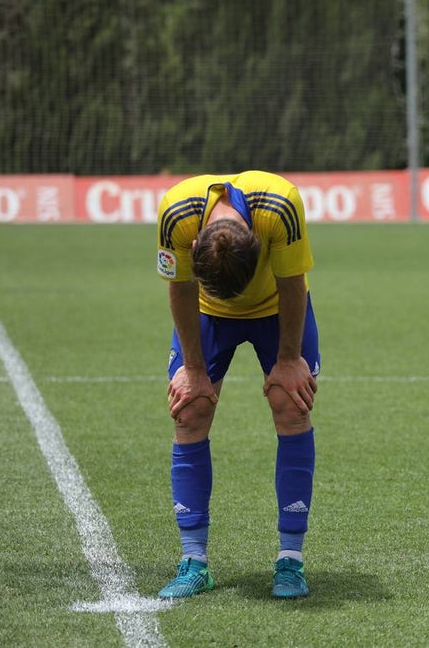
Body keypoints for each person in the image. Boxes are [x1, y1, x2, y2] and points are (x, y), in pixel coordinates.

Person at [154, 170, 320, 599]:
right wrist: (193, 368)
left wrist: (287, 360)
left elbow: (292, 284)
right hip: (207, 311)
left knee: (291, 403)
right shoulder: (176, 211)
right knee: (190, 411)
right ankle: (194, 560)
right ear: (194, 247)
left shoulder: (281, 205)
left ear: (259, 245)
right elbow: (180, 289)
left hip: (276, 307)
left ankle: (291, 561)